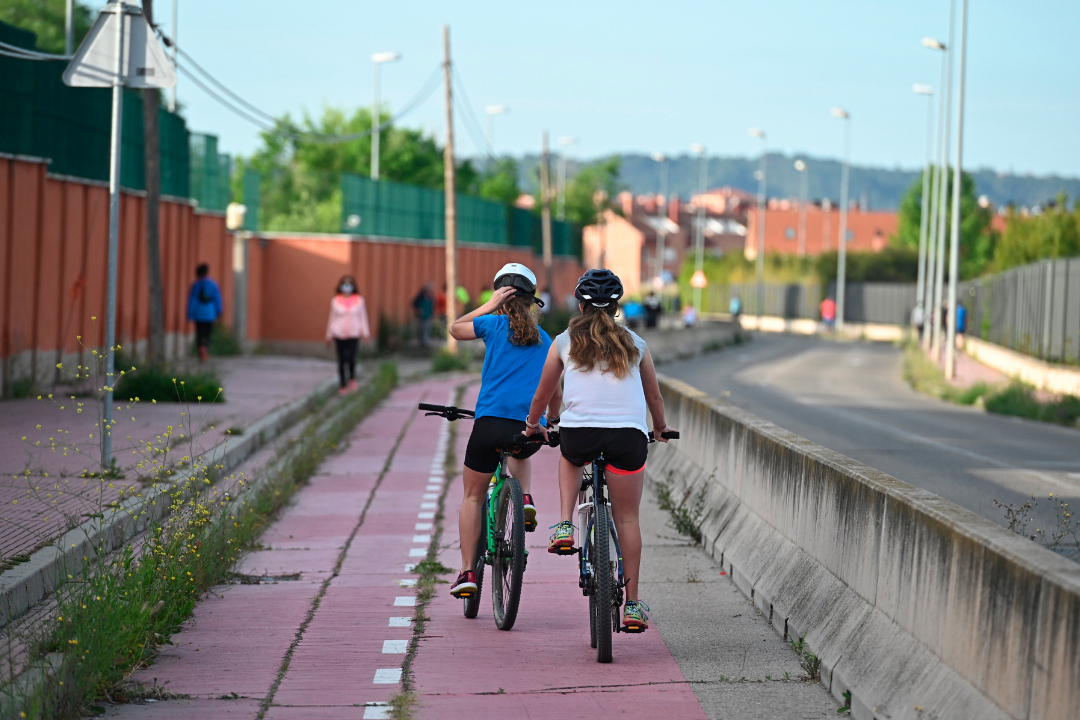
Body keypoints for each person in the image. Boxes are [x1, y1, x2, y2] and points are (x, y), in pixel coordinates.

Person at [524, 269, 675, 632]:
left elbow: (544, 393)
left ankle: (564, 524)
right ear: (617, 307)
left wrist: (534, 425)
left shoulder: (563, 341)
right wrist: (660, 427)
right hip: (628, 438)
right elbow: (653, 395)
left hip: (581, 434)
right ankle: (633, 605)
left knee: (570, 456)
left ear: (579, 304)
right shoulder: (636, 344)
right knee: (627, 520)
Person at [446, 263, 561, 599]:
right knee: (522, 444)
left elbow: (456, 328)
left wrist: (489, 305)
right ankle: (523, 496)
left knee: (472, 495)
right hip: (526, 429)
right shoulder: (546, 340)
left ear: (502, 297)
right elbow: (554, 391)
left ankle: (468, 571)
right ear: (532, 301)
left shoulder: (493, 325)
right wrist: (552, 419)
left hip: (488, 424)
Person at [326, 276, 371, 396]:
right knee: (341, 360)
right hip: (339, 333)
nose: (347, 287)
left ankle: (352, 378)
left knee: (351, 357)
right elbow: (332, 318)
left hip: (353, 333)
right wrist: (329, 335)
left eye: (349, 284)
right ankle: (342, 385)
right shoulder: (336, 301)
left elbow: (363, 317)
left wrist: (365, 333)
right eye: (344, 284)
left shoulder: (359, 300)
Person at [187, 263, 223, 363]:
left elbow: (192, 300)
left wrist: (190, 314)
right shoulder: (213, 284)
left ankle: (200, 349)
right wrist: (219, 311)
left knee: (199, 333)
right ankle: (205, 349)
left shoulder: (196, 285)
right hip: (210, 313)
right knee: (208, 334)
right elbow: (217, 299)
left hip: (198, 314)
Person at [412, 283, 435, 348]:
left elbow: (433, 306)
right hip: (421, 316)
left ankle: (425, 342)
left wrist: (432, 313)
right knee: (420, 329)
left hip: (428, 315)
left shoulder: (431, 296)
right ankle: (420, 341)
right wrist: (418, 309)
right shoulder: (420, 296)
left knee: (427, 329)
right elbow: (414, 303)